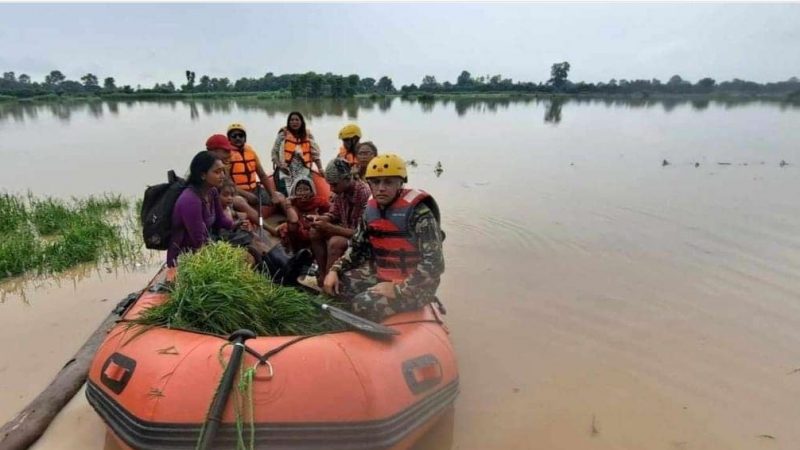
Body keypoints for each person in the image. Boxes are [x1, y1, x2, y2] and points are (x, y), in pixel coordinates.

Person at [323, 154, 445, 322]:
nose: (381, 188)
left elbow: (434, 264)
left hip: (416, 284)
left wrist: (399, 290)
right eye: (376, 182)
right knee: (339, 286)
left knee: (362, 305)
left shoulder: (420, 214)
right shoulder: (370, 210)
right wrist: (335, 270)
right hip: (382, 271)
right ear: (369, 183)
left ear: (400, 183)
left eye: (388, 182)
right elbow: (357, 248)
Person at [167, 151, 242, 267]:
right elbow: (198, 242)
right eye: (217, 172)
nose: (222, 175)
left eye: (223, 171)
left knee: (251, 241)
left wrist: (237, 224)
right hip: (186, 258)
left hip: (206, 245)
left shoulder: (212, 191)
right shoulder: (190, 200)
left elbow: (220, 220)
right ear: (203, 175)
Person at [308, 158, 371, 283]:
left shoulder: (363, 194)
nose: (331, 189)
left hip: (362, 238)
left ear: (347, 179)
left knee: (335, 242)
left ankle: (328, 281)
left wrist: (331, 228)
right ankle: (322, 274)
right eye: (330, 185)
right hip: (346, 229)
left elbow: (360, 233)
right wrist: (321, 218)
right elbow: (334, 214)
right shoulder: (340, 192)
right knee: (314, 231)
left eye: (334, 185)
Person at [226, 123, 279, 207]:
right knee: (241, 202)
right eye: (234, 136)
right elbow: (227, 182)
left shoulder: (251, 152)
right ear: (229, 139)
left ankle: (295, 218)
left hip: (255, 190)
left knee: (279, 197)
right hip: (238, 192)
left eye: (241, 135)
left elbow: (262, 175)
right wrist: (247, 195)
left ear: (245, 138)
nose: (238, 138)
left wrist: (272, 194)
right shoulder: (226, 156)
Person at [271, 112, 324, 193]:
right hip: (286, 171)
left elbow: (315, 155)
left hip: (303, 170)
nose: (294, 122)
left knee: (305, 194)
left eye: (297, 120)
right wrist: (280, 166)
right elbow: (274, 154)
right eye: (291, 120)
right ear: (288, 122)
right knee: (287, 194)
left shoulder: (308, 136)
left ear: (301, 122)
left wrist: (320, 169)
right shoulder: (282, 135)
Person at [275, 176, 330, 254]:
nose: (302, 193)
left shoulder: (320, 202)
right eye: (299, 190)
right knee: (290, 226)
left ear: (312, 191)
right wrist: (288, 205)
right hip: (299, 232)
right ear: (295, 192)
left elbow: (330, 216)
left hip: (317, 231)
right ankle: (295, 252)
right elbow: (294, 220)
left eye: (306, 189)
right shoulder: (293, 203)